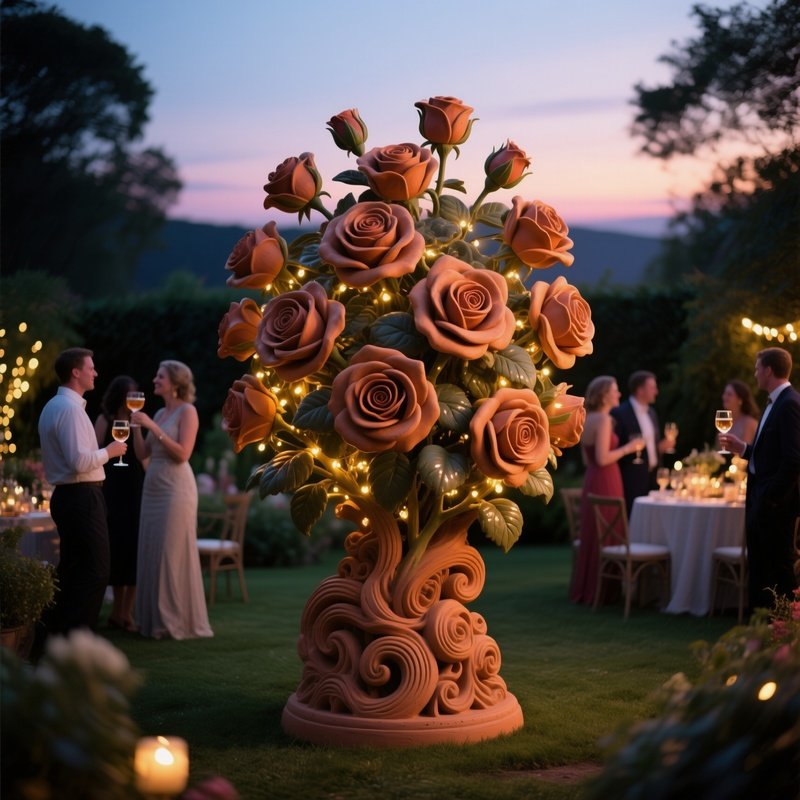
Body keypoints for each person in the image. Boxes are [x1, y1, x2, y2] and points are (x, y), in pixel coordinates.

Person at [37, 348, 128, 637]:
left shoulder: (55, 406)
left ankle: (55, 639)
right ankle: (78, 641)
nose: (95, 372)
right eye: (91, 367)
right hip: (81, 497)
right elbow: (79, 461)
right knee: (96, 571)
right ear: (76, 372)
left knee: (73, 571)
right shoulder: (70, 410)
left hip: (71, 497)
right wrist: (111, 451)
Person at [131, 360, 212, 640]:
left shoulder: (187, 412)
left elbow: (182, 454)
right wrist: (137, 427)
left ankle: (173, 621)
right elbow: (142, 454)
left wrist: (152, 425)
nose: (154, 380)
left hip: (176, 491)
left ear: (175, 383)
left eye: (160, 376)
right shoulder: (160, 412)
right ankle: (150, 619)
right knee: (151, 551)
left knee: (169, 554)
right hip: (152, 488)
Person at [719, 347, 800, 612]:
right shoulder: (775, 402)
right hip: (762, 500)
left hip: (774, 506)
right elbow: (770, 455)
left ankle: (780, 631)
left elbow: (793, 460)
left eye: (757, 368)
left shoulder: (789, 404)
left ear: (768, 370)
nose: (754, 374)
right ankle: (760, 631)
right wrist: (743, 448)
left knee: (777, 570)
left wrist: (770, 499)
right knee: (762, 569)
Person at [570, 376, 645, 605]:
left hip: (592, 480)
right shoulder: (603, 420)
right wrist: (628, 448)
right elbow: (603, 458)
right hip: (606, 479)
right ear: (604, 395)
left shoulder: (586, 418)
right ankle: (605, 593)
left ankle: (591, 588)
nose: (619, 395)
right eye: (615, 390)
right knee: (609, 535)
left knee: (595, 535)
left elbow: (587, 459)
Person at [94, 375, 146, 632]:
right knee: (116, 548)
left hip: (134, 488)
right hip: (111, 489)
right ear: (118, 396)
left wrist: (136, 428)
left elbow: (140, 455)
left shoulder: (136, 422)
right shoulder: (104, 420)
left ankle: (126, 613)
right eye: (129, 394)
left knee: (134, 549)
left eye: (135, 394)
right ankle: (117, 612)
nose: (132, 399)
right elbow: (94, 452)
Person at [610, 370, 670, 515]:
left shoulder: (651, 413)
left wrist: (660, 448)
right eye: (652, 387)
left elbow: (650, 447)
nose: (656, 391)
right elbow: (614, 446)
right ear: (640, 390)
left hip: (654, 478)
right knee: (634, 519)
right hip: (631, 479)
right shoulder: (619, 413)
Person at [720, 379, 760, 444]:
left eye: (729, 394)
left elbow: (744, 451)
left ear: (740, 400)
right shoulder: (723, 423)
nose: (724, 397)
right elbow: (718, 450)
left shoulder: (749, 423)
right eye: (724, 393)